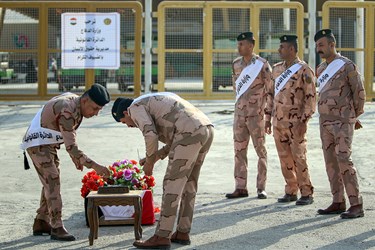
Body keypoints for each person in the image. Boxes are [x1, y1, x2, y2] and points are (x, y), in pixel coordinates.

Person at [111, 92, 214, 249]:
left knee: (171, 185)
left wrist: (149, 164)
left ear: (125, 112)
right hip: (205, 128)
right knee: (189, 183)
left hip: (189, 131)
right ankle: (182, 232)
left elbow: (150, 135)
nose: (129, 126)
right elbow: (176, 139)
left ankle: (162, 236)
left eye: (124, 122)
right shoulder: (150, 101)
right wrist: (156, 156)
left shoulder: (134, 108)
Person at [21, 84, 111, 241]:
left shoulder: (76, 104)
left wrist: (76, 158)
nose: (96, 114)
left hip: (48, 144)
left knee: (51, 181)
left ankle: (41, 221)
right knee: (53, 180)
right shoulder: (67, 109)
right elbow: (71, 146)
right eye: (95, 108)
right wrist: (95, 166)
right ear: (85, 100)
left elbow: (68, 137)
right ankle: (56, 226)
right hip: (38, 143)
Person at [314, 29, 366, 218]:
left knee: (344, 159)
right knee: (331, 162)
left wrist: (353, 117)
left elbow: (359, 93)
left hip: (343, 122)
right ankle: (338, 201)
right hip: (325, 123)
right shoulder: (320, 69)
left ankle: (356, 204)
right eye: (317, 45)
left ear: (332, 45)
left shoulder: (347, 66)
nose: (318, 49)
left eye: (321, 45)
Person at [265, 35, 316, 205]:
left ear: (292, 49)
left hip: (296, 124)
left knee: (299, 157)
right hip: (278, 122)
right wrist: (267, 118)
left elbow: (310, 97)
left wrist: (304, 121)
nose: (279, 50)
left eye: (282, 47)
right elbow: (270, 95)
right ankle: (291, 190)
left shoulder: (304, 70)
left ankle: (306, 192)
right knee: (284, 158)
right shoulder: (277, 69)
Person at [225, 31, 272, 200]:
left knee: (260, 151)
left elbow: (270, 91)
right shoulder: (236, 64)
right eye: (238, 44)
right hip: (239, 116)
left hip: (256, 115)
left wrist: (268, 117)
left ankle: (261, 187)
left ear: (251, 46)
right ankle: (240, 187)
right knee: (239, 151)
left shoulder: (262, 64)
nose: (238, 47)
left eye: (241, 44)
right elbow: (235, 88)